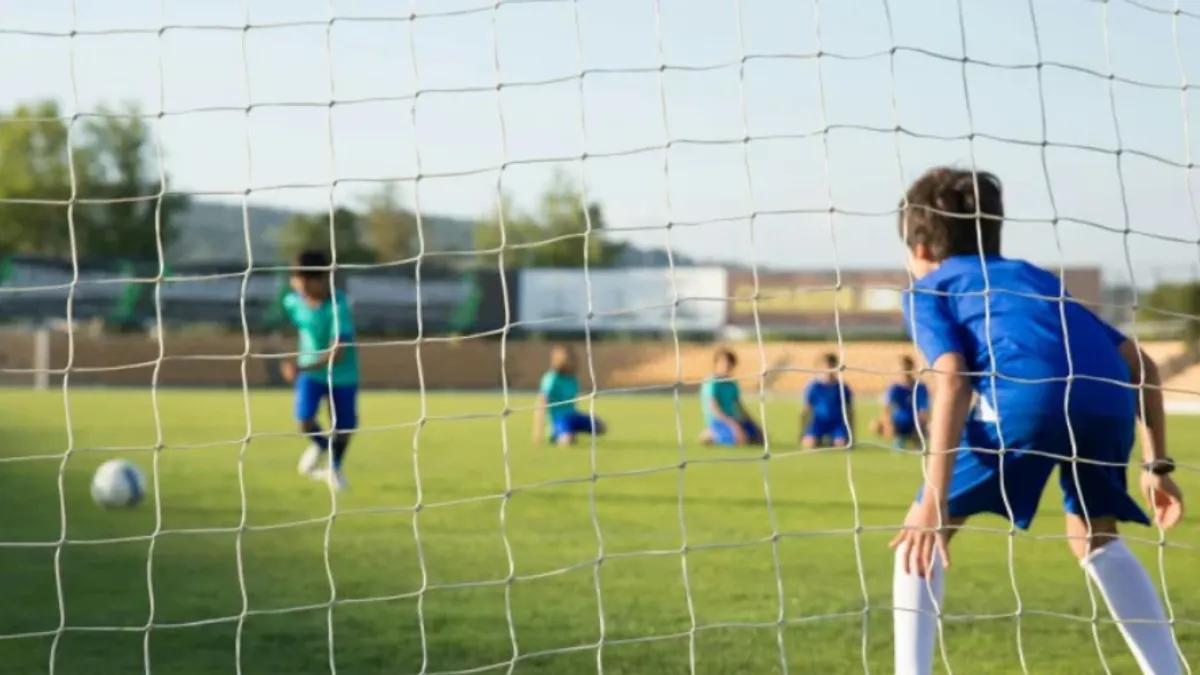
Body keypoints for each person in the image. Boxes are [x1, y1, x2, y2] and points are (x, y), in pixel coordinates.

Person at [889, 166, 1184, 675]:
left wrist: (933, 498)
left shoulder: (930, 288)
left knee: (919, 536)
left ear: (917, 248)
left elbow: (953, 376)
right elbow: (1143, 364)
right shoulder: (1034, 278)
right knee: (1096, 537)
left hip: (1028, 401)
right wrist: (1155, 466)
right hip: (1106, 401)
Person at [284, 249, 359, 492]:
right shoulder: (293, 301)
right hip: (311, 372)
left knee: (344, 427)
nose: (301, 287)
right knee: (304, 419)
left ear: (322, 279)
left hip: (342, 373)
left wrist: (300, 365)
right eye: (297, 281)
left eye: (307, 282)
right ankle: (321, 446)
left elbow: (338, 353)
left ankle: (334, 468)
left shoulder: (339, 306)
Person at [533, 344, 606, 446]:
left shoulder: (572, 379)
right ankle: (556, 433)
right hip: (559, 419)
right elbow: (541, 402)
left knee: (600, 427)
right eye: (570, 359)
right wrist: (537, 432)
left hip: (573, 416)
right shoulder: (551, 378)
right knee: (567, 441)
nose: (573, 362)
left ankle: (571, 431)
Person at [698, 348, 763, 446]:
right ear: (716, 364)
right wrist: (733, 424)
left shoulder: (732, 383)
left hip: (733, 418)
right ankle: (710, 434)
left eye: (729, 363)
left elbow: (739, 405)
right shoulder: (712, 382)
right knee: (740, 440)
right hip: (718, 420)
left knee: (759, 439)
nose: (727, 366)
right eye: (724, 363)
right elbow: (714, 408)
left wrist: (754, 423)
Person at [871, 355, 929, 449]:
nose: (905, 370)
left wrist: (919, 426)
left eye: (907, 367)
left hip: (915, 422)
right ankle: (898, 438)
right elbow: (885, 410)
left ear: (912, 367)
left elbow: (924, 411)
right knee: (875, 425)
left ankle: (916, 439)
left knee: (932, 427)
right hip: (898, 422)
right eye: (902, 367)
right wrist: (889, 424)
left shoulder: (920, 387)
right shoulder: (894, 388)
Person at [800, 352, 854, 448]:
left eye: (832, 367)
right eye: (827, 368)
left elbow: (849, 411)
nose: (829, 371)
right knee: (809, 444)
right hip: (818, 422)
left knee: (842, 445)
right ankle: (820, 439)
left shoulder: (842, 387)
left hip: (837, 423)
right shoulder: (814, 387)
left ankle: (830, 440)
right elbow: (806, 410)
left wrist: (851, 433)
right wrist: (803, 432)